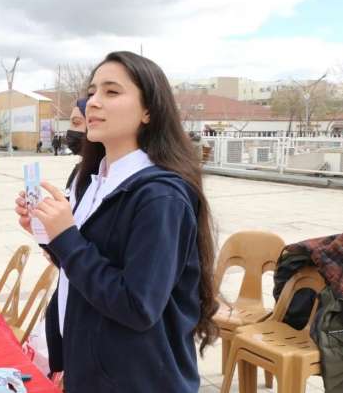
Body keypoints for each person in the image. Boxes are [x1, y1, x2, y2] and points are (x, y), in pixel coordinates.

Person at [15, 51, 218, 392]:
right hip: (91, 369)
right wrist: (49, 235)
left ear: (149, 110)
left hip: (136, 379)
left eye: (111, 92)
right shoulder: (94, 181)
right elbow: (89, 264)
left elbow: (137, 305)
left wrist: (66, 236)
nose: (93, 102)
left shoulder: (160, 197)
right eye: (92, 92)